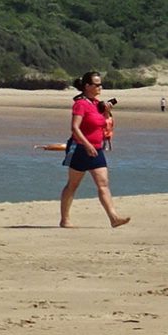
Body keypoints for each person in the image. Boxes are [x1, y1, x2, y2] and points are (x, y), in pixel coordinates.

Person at [59, 72, 131, 229]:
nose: (100, 87)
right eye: (97, 84)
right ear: (87, 86)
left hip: (97, 149)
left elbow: (104, 124)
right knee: (72, 185)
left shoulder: (97, 104)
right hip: (80, 149)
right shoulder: (80, 104)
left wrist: (105, 112)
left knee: (103, 183)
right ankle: (65, 219)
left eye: (100, 84)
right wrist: (86, 145)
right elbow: (74, 128)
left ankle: (113, 217)